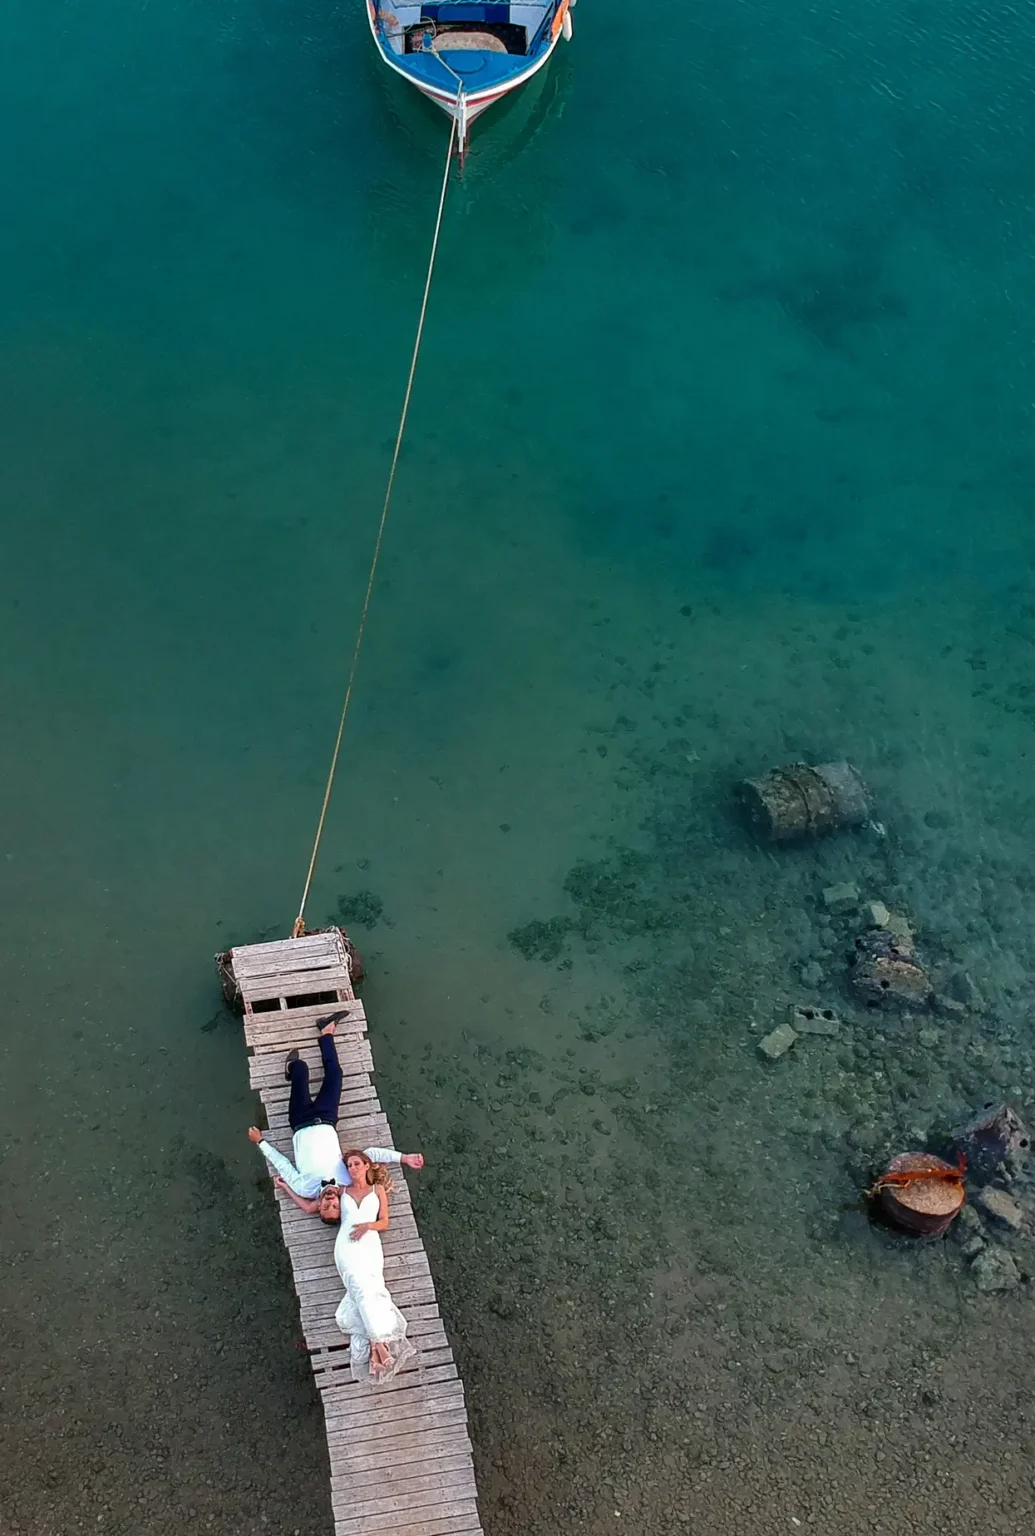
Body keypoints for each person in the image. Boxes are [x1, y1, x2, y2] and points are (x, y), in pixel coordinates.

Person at [247, 1014, 424, 1224]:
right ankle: (326, 1032)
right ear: (341, 1203)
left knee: (301, 1069)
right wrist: (404, 1158)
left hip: (300, 1120)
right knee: (335, 1074)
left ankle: (292, 1069)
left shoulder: (304, 1188)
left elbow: (283, 1165)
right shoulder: (349, 1179)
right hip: (326, 1116)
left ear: (318, 1206)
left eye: (325, 1207)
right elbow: (370, 1154)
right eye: (335, 1206)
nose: (330, 1201)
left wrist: (260, 1142)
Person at [332, 1149, 416, 1384]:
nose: (353, 1168)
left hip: (369, 1243)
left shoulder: (377, 1189)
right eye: (349, 1165)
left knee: (369, 1291)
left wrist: (367, 1225)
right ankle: (379, 1346)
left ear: (367, 1165)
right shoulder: (342, 1191)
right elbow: (314, 1206)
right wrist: (286, 1186)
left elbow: (384, 1222)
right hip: (346, 1247)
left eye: (357, 1163)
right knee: (360, 1288)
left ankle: (375, 1348)